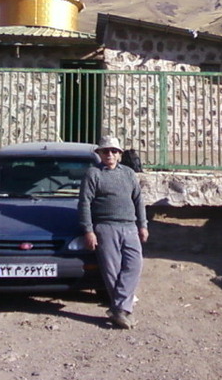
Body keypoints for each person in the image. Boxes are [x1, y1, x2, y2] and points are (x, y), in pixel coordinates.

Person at [78, 136, 149, 329]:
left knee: (134, 265)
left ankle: (118, 308)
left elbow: (138, 201)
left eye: (114, 151)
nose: (110, 154)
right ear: (99, 154)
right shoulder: (93, 174)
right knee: (112, 270)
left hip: (130, 226)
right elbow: (84, 204)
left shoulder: (128, 173)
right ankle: (122, 312)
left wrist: (143, 225)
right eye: (105, 151)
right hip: (105, 227)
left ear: (119, 154)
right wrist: (89, 230)